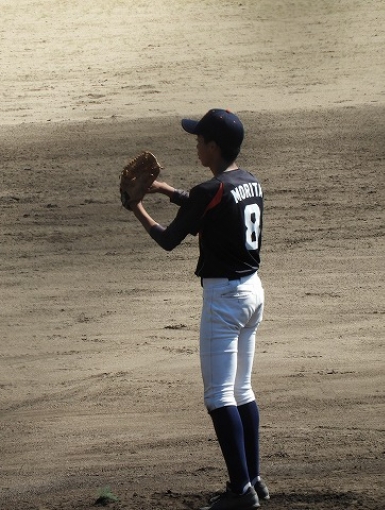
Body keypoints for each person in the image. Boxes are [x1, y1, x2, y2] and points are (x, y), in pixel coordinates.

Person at [126, 109, 268, 510]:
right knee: (242, 390)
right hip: (253, 292)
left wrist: (136, 207)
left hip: (224, 301)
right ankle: (254, 480)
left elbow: (170, 238)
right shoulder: (250, 182)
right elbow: (207, 207)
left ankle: (240, 491)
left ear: (214, 147)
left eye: (200, 139)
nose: (196, 144)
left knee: (218, 396)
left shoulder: (210, 190)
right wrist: (163, 190)